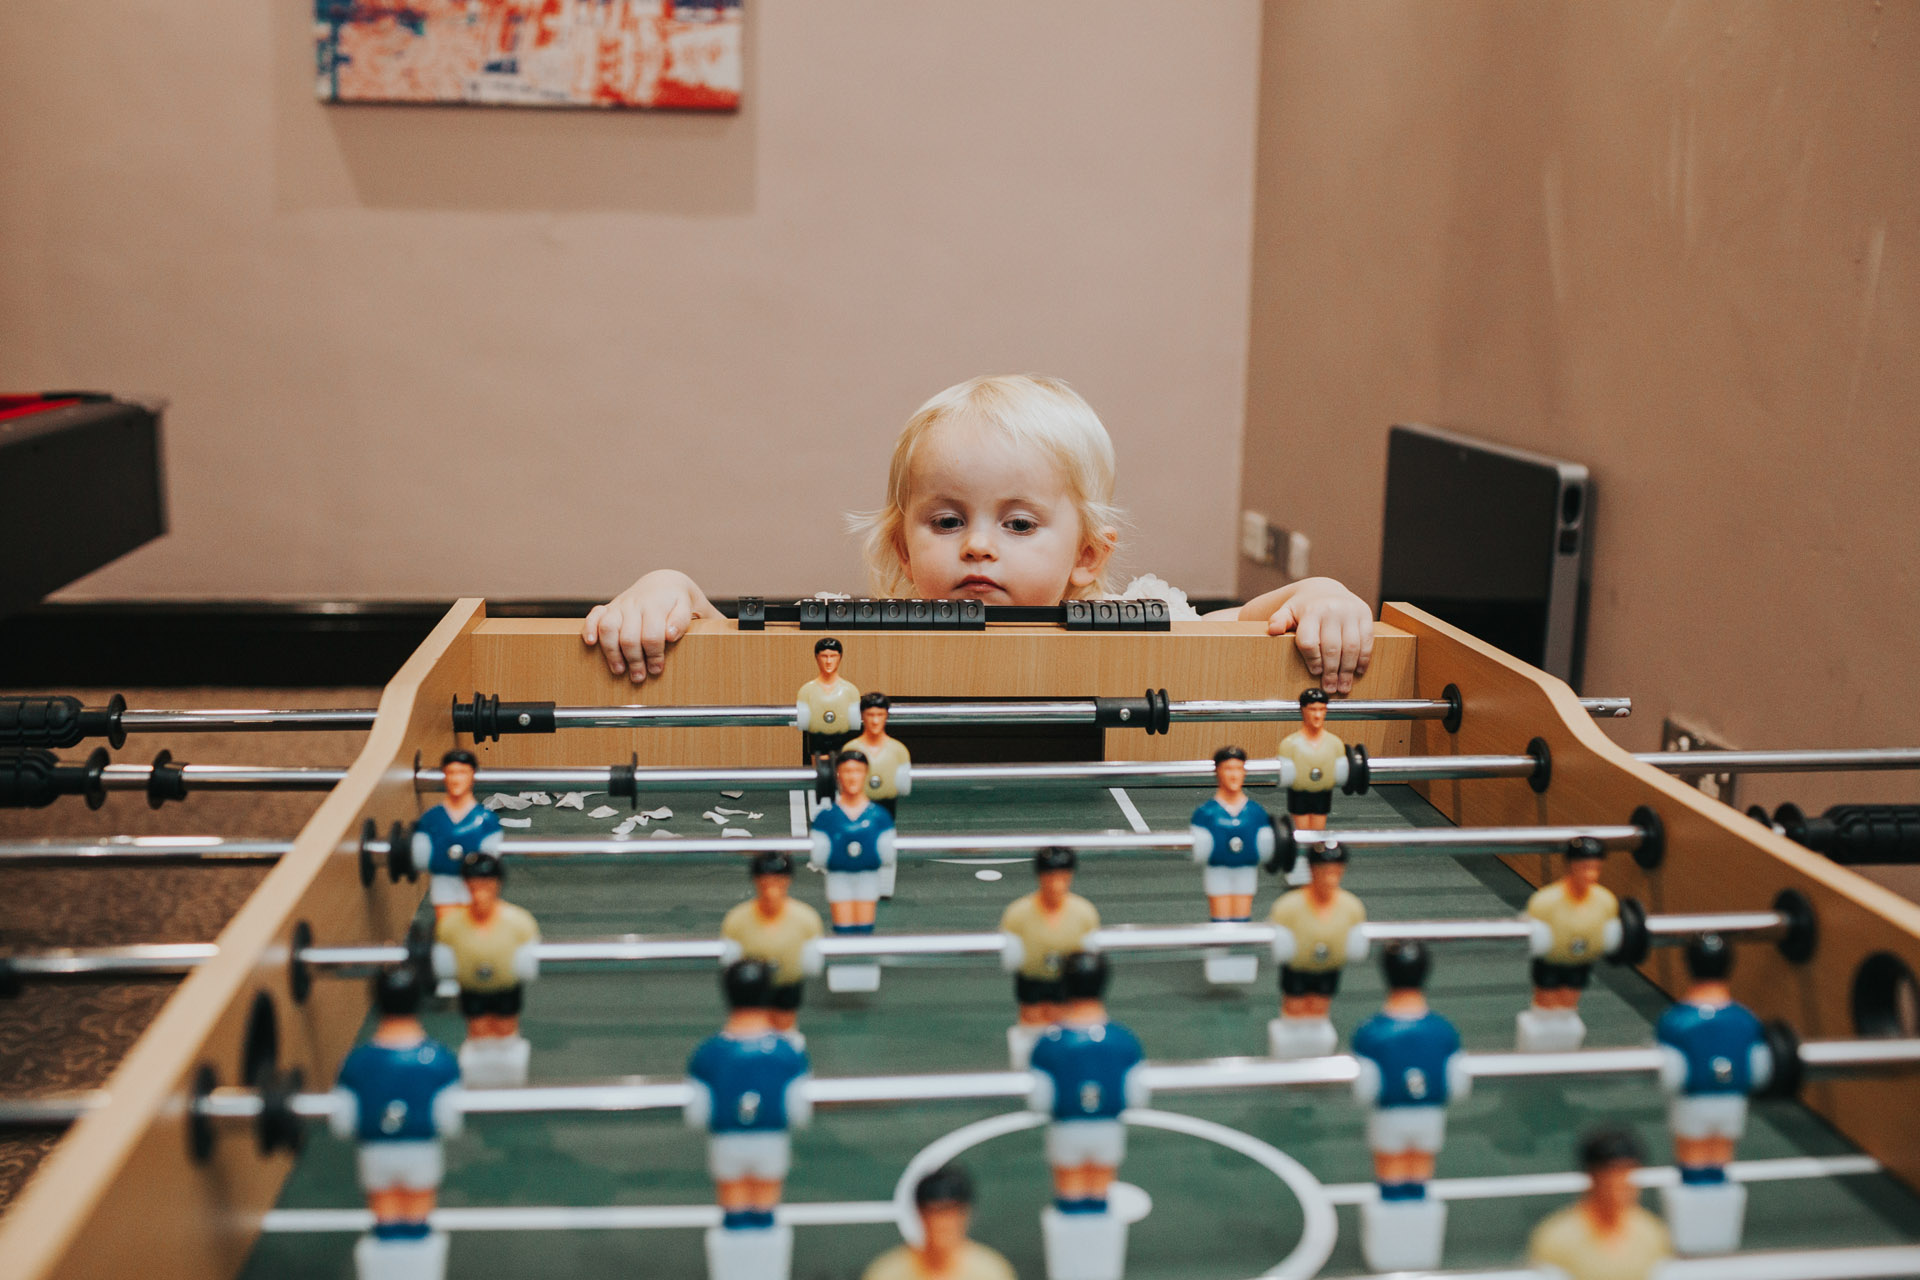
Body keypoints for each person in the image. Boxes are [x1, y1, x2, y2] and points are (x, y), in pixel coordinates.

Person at [582, 375, 1374, 691]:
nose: (978, 545)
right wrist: (667, 589)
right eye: (947, 520)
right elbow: (725, 649)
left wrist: (1324, 592)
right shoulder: (843, 640)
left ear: (1087, 556)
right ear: (900, 546)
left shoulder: (1144, 627)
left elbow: (1241, 634)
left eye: (1020, 523)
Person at [329, 967, 464, 1280]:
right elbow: (449, 1119)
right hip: (420, 1151)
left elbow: (343, 1121)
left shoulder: (357, 1062)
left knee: (385, 1213)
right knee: (418, 1210)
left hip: (376, 1152)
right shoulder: (439, 1060)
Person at [686, 960, 814, 1280]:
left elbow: (697, 1112)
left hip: (727, 1142)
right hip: (770, 1141)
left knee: (734, 1214)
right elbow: (799, 1110)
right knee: (764, 1213)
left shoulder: (708, 1054)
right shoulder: (788, 1054)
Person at [1028, 951, 1146, 1280]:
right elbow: (1137, 1093)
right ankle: (1097, 1266)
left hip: (1067, 1130)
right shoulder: (1124, 1041)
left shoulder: (1049, 1044)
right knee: (1098, 1197)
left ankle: (1071, 1269)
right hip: (1107, 1130)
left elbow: (1039, 1098)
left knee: (1070, 1198)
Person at [1350, 941, 1467, 1272]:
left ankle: (1393, 1241)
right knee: (1419, 1174)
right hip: (1429, 1115)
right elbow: (1457, 1082)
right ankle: (1414, 1233)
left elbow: (1365, 1087)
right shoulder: (1444, 1031)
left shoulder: (1371, 1033)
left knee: (1391, 1173)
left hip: (1389, 1116)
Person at [1654, 933, 1771, 1254]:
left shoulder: (1676, 1021)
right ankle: (1716, 1230)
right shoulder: (1745, 1020)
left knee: (1692, 1158)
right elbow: (1759, 1066)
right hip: (1731, 1102)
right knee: (1719, 1159)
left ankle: (1692, 1235)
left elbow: (1668, 1070)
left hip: (1694, 1101)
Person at [431, 851, 541, 1087]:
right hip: (472, 987)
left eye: (486, 884)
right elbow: (443, 956)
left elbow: (529, 956)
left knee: (504, 1027)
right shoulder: (451, 925)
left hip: (505, 986)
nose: (479, 891)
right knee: (479, 1029)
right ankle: (481, 1072)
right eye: (473, 885)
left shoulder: (519, 921)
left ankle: (507, 1070)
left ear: (497, 885)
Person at [998, 845, 1101, 1067]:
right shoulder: (1018, 915)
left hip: (1067, 986)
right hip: (1032, 985)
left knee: (1067, 1033)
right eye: (1050, 877)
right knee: (1031, 1030)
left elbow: (1090, 959)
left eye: (1063, 877)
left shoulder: (1084, 913)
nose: (1056, 884)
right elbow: (1011, 961)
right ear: (1040, 877)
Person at [1266, 838, 1368, 1059]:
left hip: (1328, 968)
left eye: (1336, 871)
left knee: (1318, 1009)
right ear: (1312, 870)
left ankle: (1314, 1054)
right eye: (1325, 871)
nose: (1331, 877)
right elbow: (1275, 936)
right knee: (1294, 1009)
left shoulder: (1351, 907)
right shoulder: (1288, 906)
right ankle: (1291, 1055)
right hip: (1297, 968)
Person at [1518, 837, 1622, 1052]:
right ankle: (1539, 1051)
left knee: (1567, 1003)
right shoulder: (1545, 901)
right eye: (1584, 867)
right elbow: (1527, 933)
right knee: (1546, 1004)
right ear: (1570, 866)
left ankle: (1563, 1049)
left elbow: (1611, 932)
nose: (1590, 874)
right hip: (1551, 961)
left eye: (1595, 868)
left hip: (1580, 962)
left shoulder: (1605, 901)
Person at [1527, 1128, 1672, 1280]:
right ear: (1592, 1175)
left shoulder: (1651, 1232)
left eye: (1628, 1171)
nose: (1621, 1182)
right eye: (1611, 1173)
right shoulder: (1556, 1238)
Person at [719, 851, 826, 1042]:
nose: (771, 891)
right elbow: (730, 962)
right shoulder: (737, 920)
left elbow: (812, 963)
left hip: (787, 984)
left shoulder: (806, 918)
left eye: (778, 883)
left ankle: (787, 1047)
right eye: (765, 884)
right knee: (753, 1025)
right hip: (751, 986)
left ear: (788, 882)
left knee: (785, 1025)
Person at [861, 1164, 1016, 1280]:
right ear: (920, 1214)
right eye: (933, 1212)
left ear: (966, 1214)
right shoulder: (887, 1273)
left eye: (950, 1212)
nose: (942, 1223)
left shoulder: (990, 1272)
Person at [808, 749, 897, 936]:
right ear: (838, 775)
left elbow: (888, 854)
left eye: (857, 771)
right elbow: (818, 856)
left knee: (865, 926)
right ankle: (843, 962)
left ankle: (864, 961)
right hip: (838, 876)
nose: (852, 777)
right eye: (847, 771)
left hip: (868, 876)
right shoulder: (826, 817)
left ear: (866, 773)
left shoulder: (879, 816)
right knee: (842, 926)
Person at [410, 749, 503, 921]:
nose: (456, 779)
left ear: (472, 775)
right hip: (443, 882)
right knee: (447, 929)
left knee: (475, 923)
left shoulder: (485, 820)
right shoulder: (432, 817)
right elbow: (420, 854)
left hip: (474, 884)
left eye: (462, 772)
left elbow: (491, 855)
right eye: (451, 773)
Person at [1189, 746, 1275, 924]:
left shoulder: (1255, 812)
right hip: (1218, 871)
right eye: (1228, 769)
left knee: (1242, 916)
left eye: (1238, 769)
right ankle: (1219, 951)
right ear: (1217, 772)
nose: (1234, 775)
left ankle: (1242, 950)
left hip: (1246, 870)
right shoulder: (1206, 813)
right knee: (1220, 918)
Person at [1277, 689, 1343, 886]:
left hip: (1322, 792)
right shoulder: (1290, 744)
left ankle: (1317, 868)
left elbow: (1341, 770)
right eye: (1312, 709)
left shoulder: (1334, 743)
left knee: (1318, 832)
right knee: (1301, 831)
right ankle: (1299, 867)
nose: (1317, 714)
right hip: (1300, 792)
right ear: (1303, 710)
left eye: (1321, 709)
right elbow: (1283, 772)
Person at [851, 691, 913, 898]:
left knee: (885, 844)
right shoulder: (852, 749)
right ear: (862, 716)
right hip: (859, 804)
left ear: (886, 716)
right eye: (870, 715)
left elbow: (904, 785)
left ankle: (884, 886)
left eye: (880, 714)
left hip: (886, 804)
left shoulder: (898, 750)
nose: (875, 720)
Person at [797, 637, 861, 763]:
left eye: (833, 656)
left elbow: (854, 723)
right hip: (817, 740)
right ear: (817, 657)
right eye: (824, 656)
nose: (828, 661)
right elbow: (803, 722)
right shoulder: (806, 691)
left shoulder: (850, 691)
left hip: (842, 739)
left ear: (840, 657)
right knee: (819, 773)